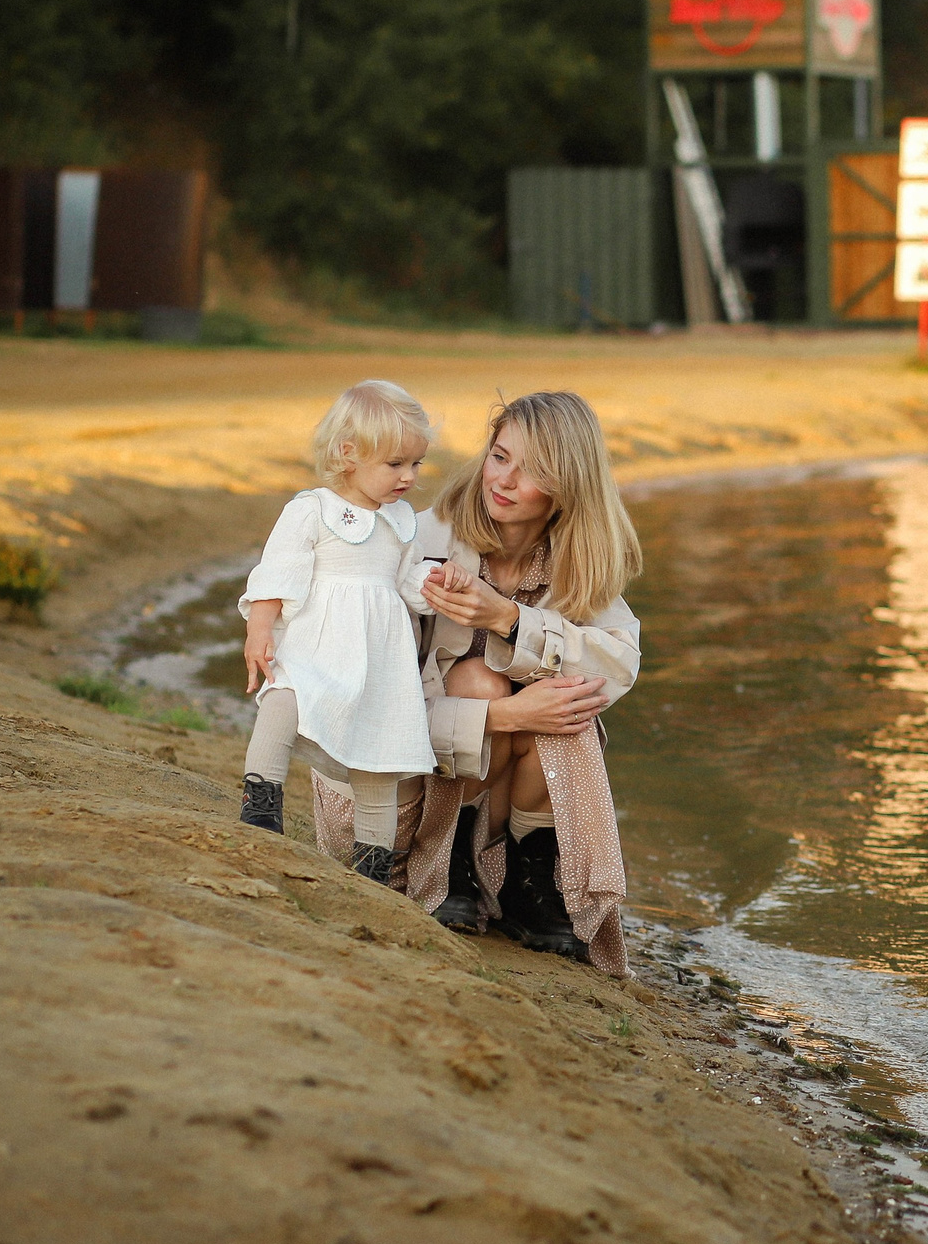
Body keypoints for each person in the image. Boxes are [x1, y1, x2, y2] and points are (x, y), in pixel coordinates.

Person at [314, 391, 642, 974]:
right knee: (483, 683)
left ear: (568, 484)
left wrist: (507, 619)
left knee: (570, 703)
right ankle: (449, 866)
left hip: (481, 782)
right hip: (384, 807)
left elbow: (616, 667)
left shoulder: (575, 559)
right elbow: (360, 702)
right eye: (498, 456)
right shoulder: (415, 545)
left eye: (533, 470)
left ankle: (528, 877)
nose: (505, 480)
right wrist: (505, 717)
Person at [238, 381, 439, 884]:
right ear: (348, 453)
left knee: (378, 755)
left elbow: (406, 580)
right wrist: (260, 629)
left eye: (416, 464)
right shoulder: (313, 509)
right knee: (282, 703)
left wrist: (434, 581)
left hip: (379, 658)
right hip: (315, 645)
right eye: (395, 464)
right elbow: (276, 573)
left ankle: (372, 866)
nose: (408, 478)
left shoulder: (401, 520)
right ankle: (261, 810)